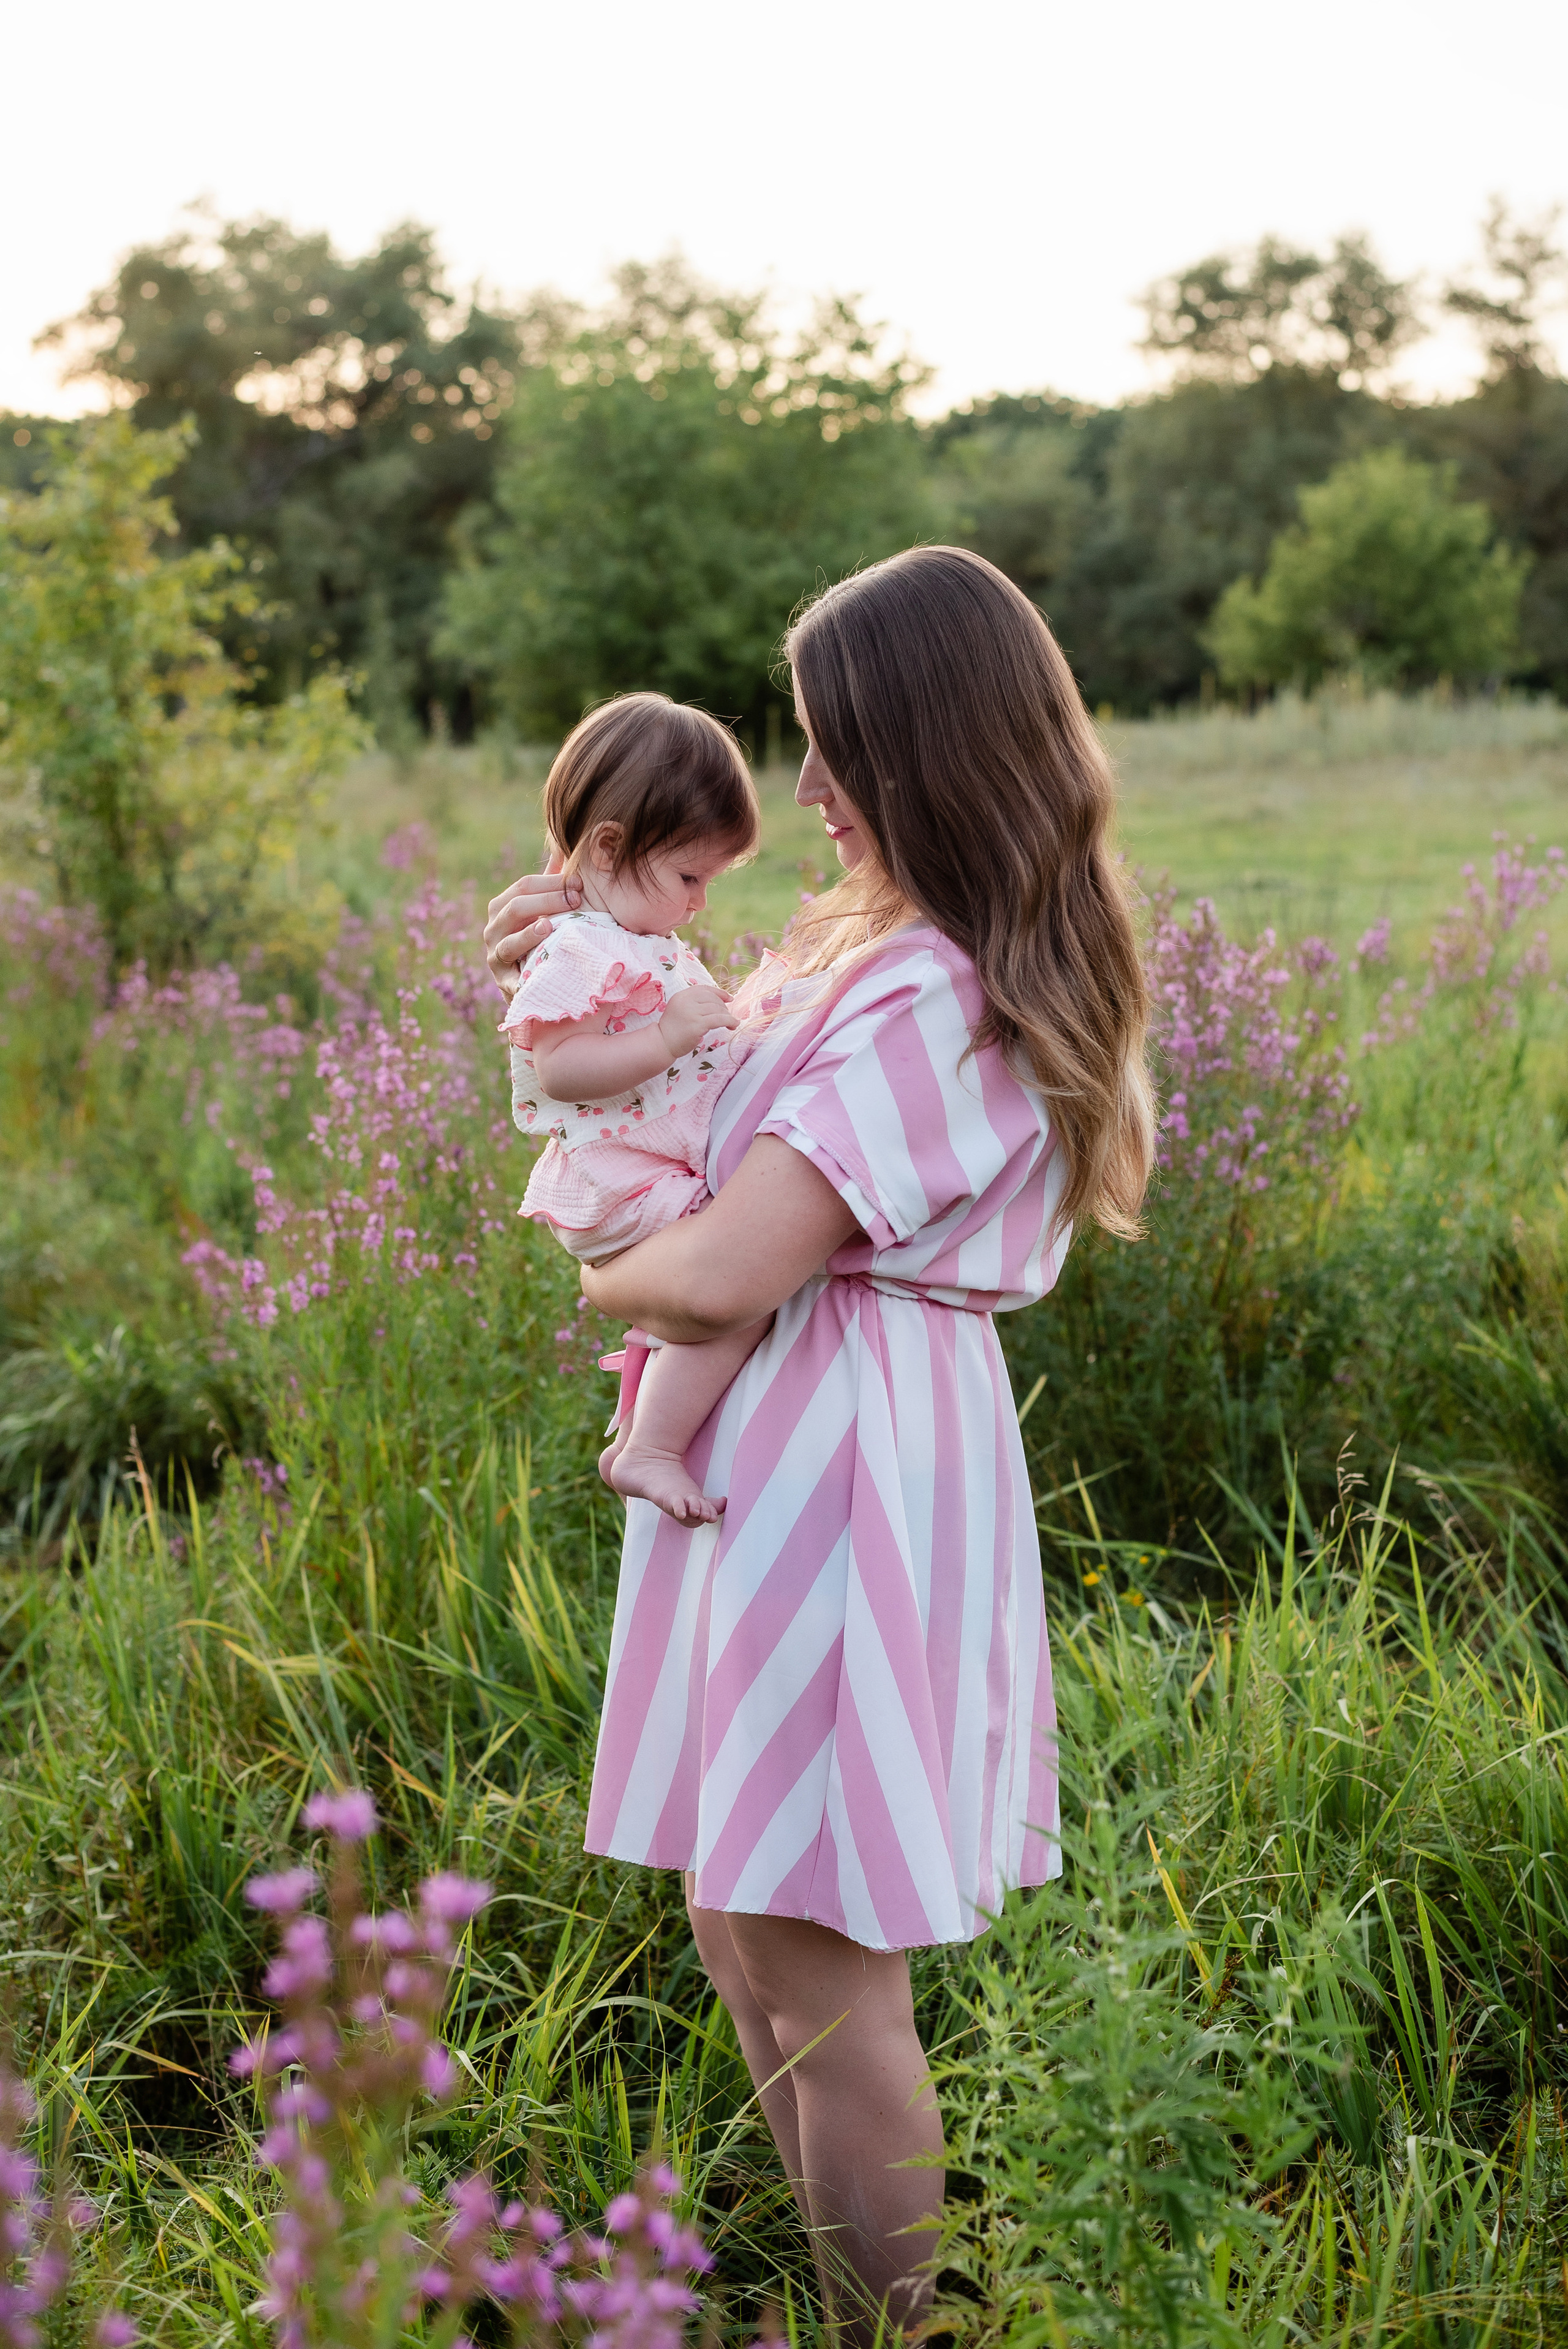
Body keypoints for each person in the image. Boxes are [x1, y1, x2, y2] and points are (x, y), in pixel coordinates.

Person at [483, 548, 1155, 2343]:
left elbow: (725, 1263)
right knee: (740, 1917)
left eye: (829, 745)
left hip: (840, 1461)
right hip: (777, 1444)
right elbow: (676, 1092)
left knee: (813, 1946)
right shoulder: (866, 948)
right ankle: (853, 2301)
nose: (802, 791)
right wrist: (582, 963)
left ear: (924, 743)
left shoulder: (943, 990)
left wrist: (597, 1248)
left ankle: (898, 2329)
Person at [499, 692, 778, 1525]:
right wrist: (664, 1037)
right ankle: (648, 1448)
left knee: (730, 1274)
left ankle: (650, 1426)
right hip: (611, 1178)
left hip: (634, 1165)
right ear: (611, 847)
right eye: (692, 877)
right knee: (742, 1282)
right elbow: (561, 1068)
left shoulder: (634, 938)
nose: (702, 903)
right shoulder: (578, 947)